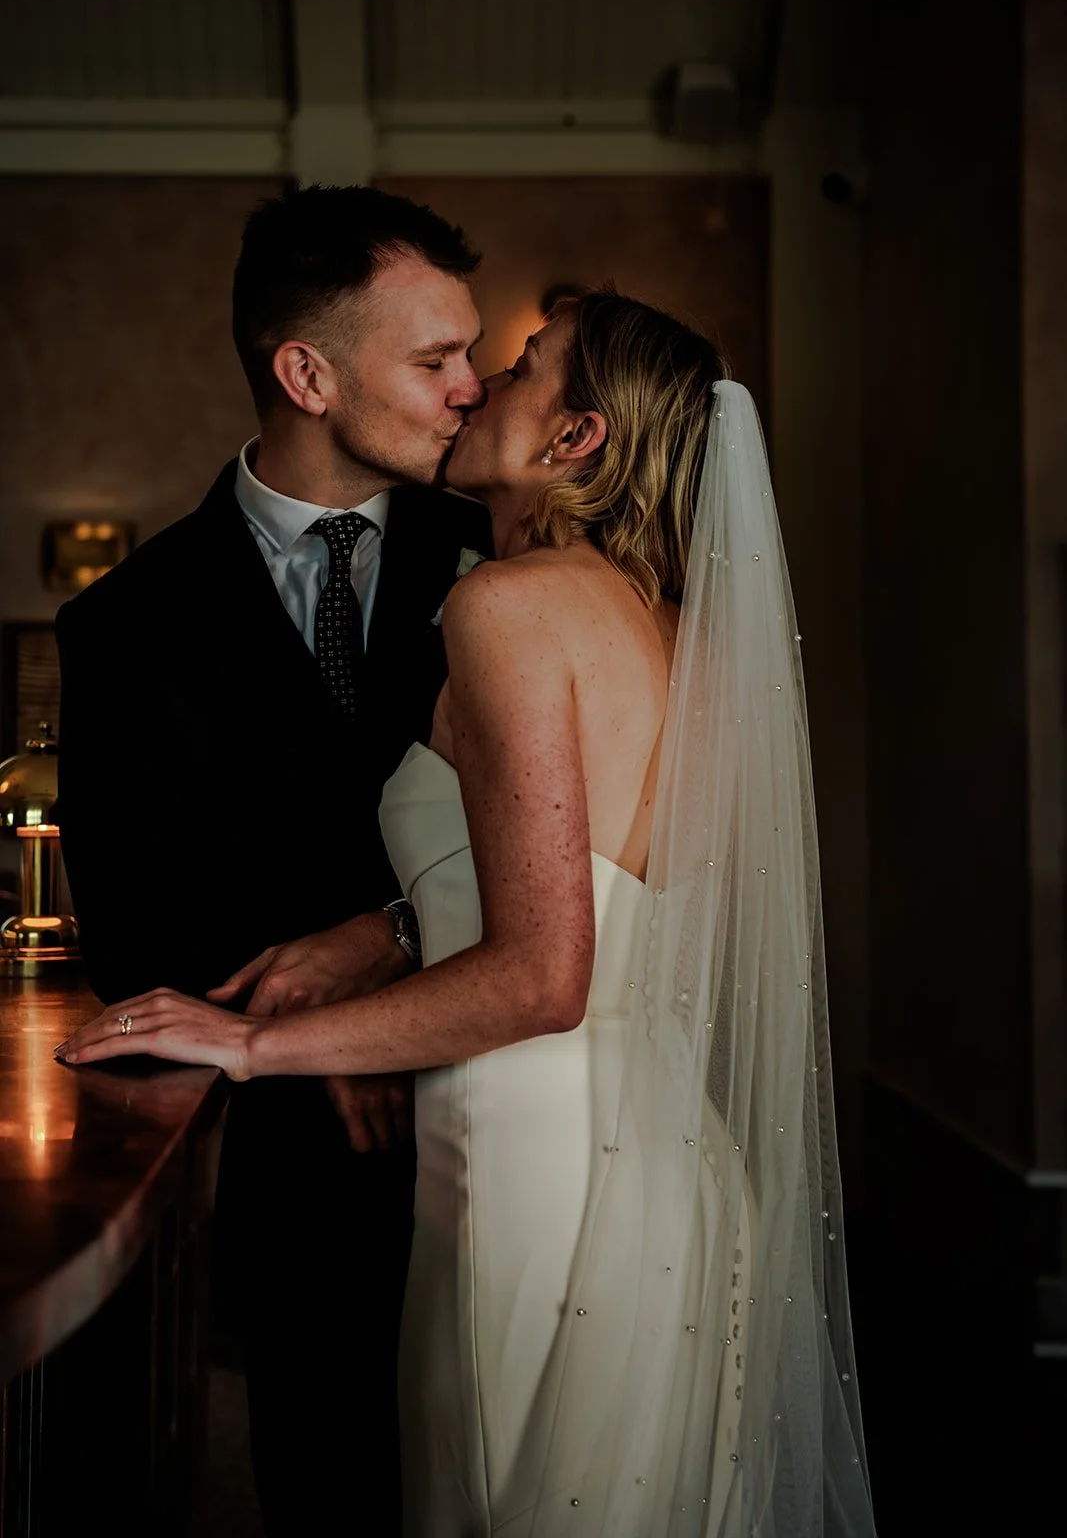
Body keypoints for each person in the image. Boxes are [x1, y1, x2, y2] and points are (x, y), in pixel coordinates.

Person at [58, 290, 877, 1536]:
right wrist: (386, 933)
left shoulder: (503, 607)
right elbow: (579, 884)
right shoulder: (658, 623)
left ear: (575, 440)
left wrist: (250, 1043)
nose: (474, 385)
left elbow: (543, 973)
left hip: (536, 1167)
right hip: (664, 1165)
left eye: (516, 368)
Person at [54, 183, 492, 1536]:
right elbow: (135, 937)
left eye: (471, 354)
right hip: (303, 1177)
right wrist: (330, 1049)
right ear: (306, 372)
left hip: (517, 1106)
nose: (471, 388)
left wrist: (384, 949)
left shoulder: (510, 559)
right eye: (435, 359)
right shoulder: (127, 627)